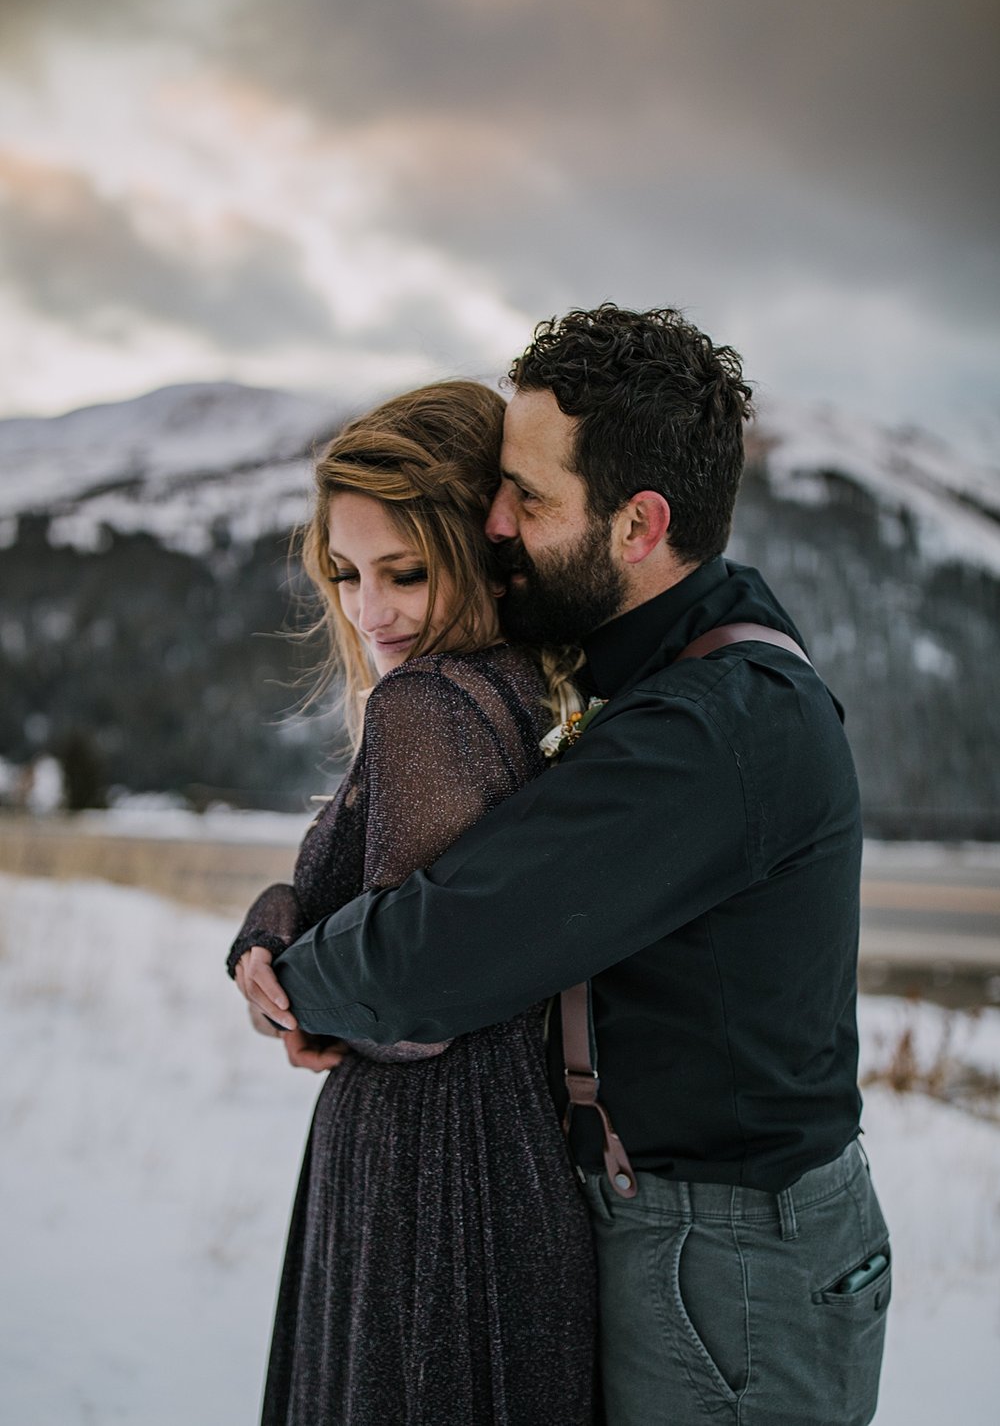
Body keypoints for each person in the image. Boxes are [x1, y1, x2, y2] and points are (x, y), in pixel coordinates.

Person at [246, 305, 891, 1426]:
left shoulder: (713, 726)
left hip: (729, 1258)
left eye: (529, 500)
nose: (492, 522)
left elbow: (432, 957)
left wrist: (292, 979)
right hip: (680, 1228)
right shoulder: (652, 648)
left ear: (638, 524)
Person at [227, 380, 596, 1426]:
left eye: (405, 573)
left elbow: (409, 995)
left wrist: (290, 992)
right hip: (509, 1162)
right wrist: (273, 931)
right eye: (345, 574)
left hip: (422, 1177)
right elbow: (386, 919)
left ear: (479, 552)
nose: (368, 611)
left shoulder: (427, 704)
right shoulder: (534, 690)